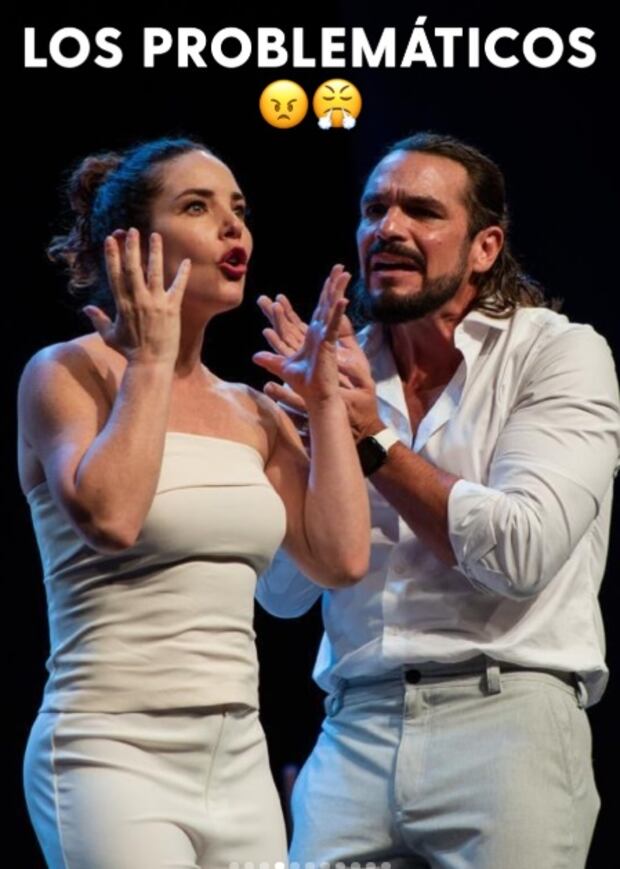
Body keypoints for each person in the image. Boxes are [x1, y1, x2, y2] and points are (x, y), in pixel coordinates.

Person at [255, 132, 620, 869]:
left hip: (506, 720)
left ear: (485, 247)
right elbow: (283, 593)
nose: (387, 229)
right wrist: (315, 440)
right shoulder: (334, 373)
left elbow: (521, 551)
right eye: (374, 210)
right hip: (353, 727)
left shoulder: (556, 353)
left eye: (420, 211)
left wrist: (369, 439)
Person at [18, 136, 370, 869]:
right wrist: (149, 359)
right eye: (197, 207)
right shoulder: (65, 374)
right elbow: (112, 517)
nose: (233, 226)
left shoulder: (251, 410)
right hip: (109, 751)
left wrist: (326, 405)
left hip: (238, 757)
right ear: (129, 244)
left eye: (239, 209)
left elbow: (340, 558)